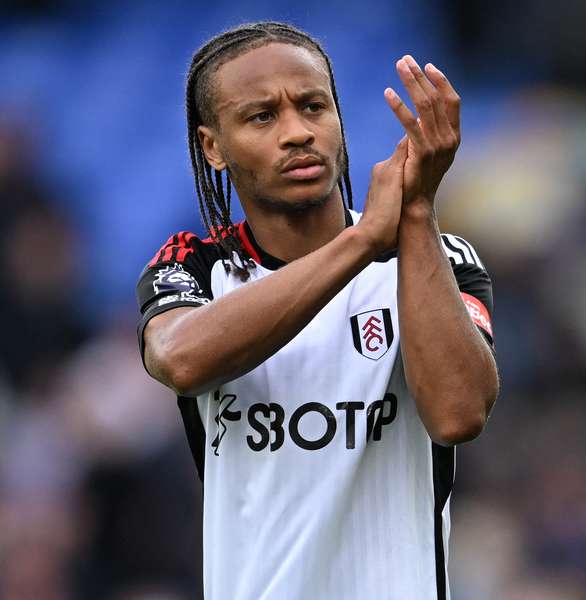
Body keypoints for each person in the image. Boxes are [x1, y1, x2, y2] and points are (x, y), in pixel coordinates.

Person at [134, 21, 499, 600]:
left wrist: (417, 214)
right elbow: (180, 359)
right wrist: (360, 244)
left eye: (313, 106)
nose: (297, 133)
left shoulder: (434, 257)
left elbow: (458, 416)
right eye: (262, 117)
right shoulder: (196, 265)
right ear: (213, 147)